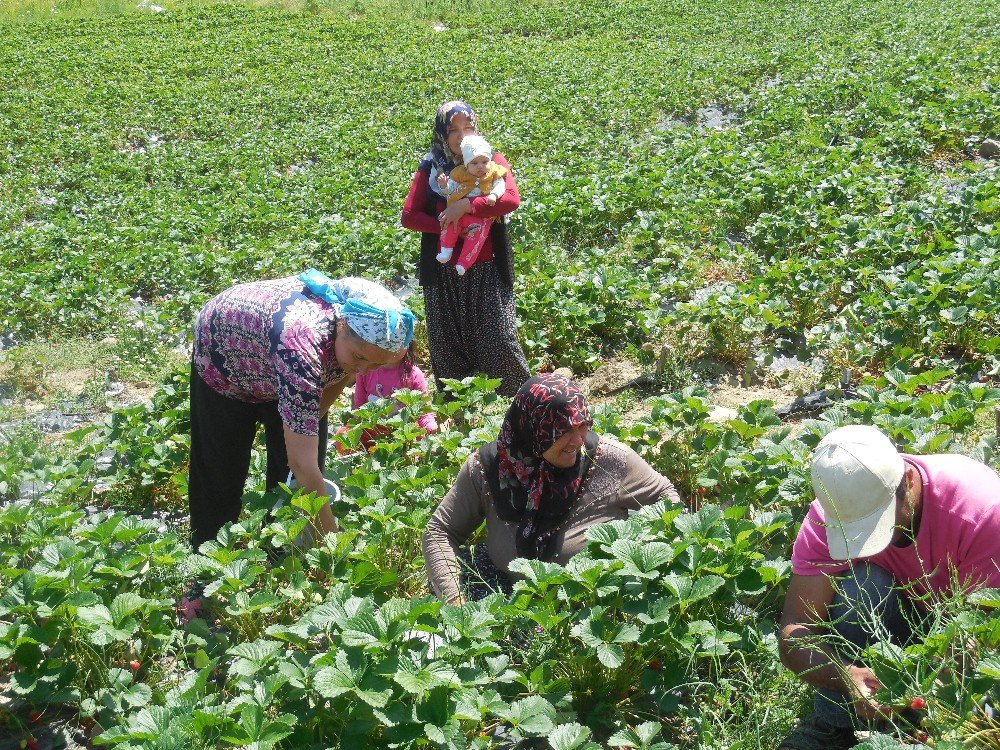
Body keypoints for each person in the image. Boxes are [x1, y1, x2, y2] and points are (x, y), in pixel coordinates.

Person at [777, 424, 1000, 750]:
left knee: (980, 717)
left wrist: (919, 691)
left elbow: (981, 634)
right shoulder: (830, 514)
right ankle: (834, 723)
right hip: (902, 628)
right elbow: (794, 631)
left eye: (879, 524)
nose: (868, 543)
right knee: (862, 588)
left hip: (964, 634)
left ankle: (927, 729)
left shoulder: (982, 510)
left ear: (907, 482)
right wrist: (844, 676)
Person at [187, 269, 415, 551]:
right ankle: (207, 563)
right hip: (226, 356)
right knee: (221, 471)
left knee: (292, 477)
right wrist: (335, 550)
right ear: (340, 327)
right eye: (360, 358)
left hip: (282, 359)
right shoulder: (301, 347)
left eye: (377, 365)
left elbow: (340, 378)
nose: (364, 371)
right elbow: (303, 466)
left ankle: (277, 551)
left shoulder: (360, 346)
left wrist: (301, 428)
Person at [422, 374, 682, 604]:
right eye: (564, 431)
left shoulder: (608, 461)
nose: (578, 441)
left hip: (594, 601)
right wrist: (455, 601)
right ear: (532, 429)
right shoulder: (488, 469)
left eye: (583, 425)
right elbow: (440, 531)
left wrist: (652, 555)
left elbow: (666, 499)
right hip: (512, 596)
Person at [401, 100, 531, 397]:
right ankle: (456, 418)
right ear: (442, 135)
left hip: (487, 266)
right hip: (444, 272)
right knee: (447, 348)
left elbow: (510, 199)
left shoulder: (490, 158)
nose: (461, 136)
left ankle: (523, 403)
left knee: (498, 340)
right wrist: (450, 226)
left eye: (468, 128)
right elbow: (409, 216)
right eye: (453, 130)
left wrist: (466, 206)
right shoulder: (433, 166)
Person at [335, 340, 439, 453]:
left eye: (399, 342)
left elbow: (424, 412)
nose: (394, 347)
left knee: (422, 441)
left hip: (403, 431)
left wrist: (431, 427)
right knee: (342, 435)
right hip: (374, 430)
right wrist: (356, 426)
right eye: (387, 342)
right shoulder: (365, 371)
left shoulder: (414, 374)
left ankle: (402, 455)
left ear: (408, 343)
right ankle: (363, 457)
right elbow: (359, 407)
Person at [435, 134, 508, 276]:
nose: (480, 167)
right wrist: (444, 185)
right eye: (474, 163)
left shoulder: (493, 172)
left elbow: (501, 186)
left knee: (476, 236)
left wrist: (493, 195)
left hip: (480, 217)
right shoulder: (460, 173)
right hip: (458, 214)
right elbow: (451, 188)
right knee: (450, 225)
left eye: (484, 162)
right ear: (467, 164)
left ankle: (464, 262)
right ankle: (446, 250)